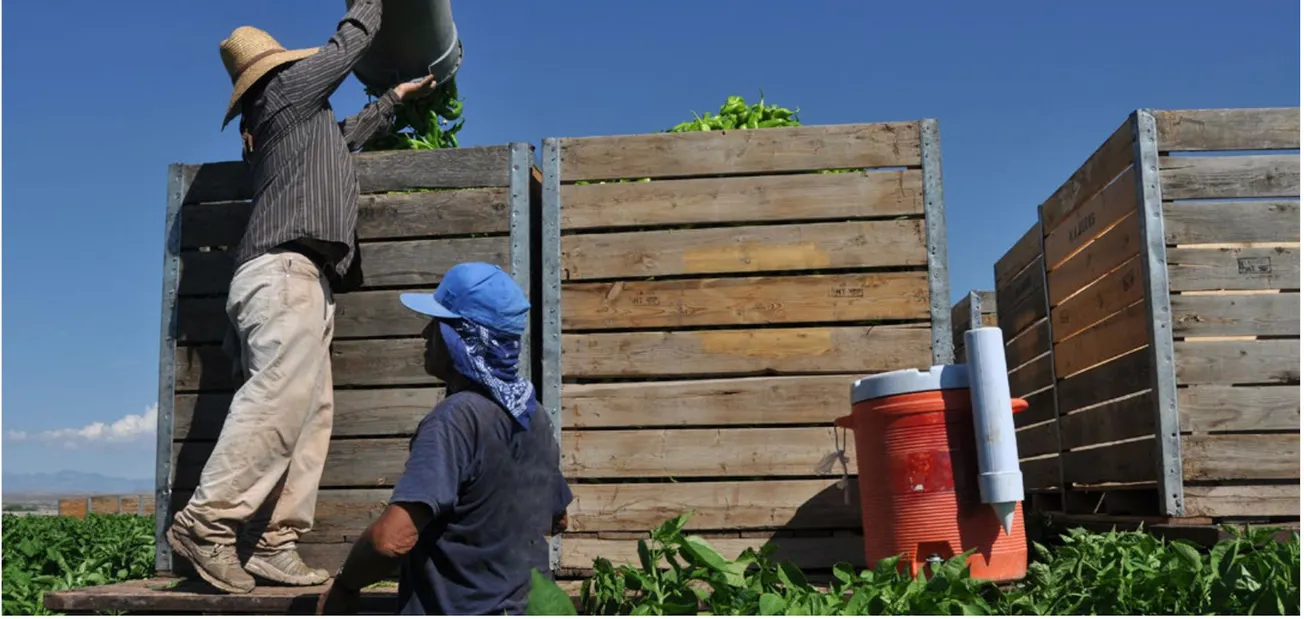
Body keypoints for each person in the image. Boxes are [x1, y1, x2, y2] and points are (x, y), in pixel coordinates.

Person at [167, 0, 438, 595]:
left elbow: (349, 138)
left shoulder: (297, 123)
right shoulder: (286, 88)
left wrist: (396, 99)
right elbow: (345, 48)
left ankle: (275, 543)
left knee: (309, 417)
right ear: (273, 72)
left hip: (305, 279)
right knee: (276, 401)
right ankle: (206, 524)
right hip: (283, 272)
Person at [316, 262, 572, 615]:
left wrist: (345, 586)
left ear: (459, 341)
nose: (425, 334)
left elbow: (391, 540)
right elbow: (558, 519)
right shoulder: (534, 416)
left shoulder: (456, 417)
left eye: (436, 324)